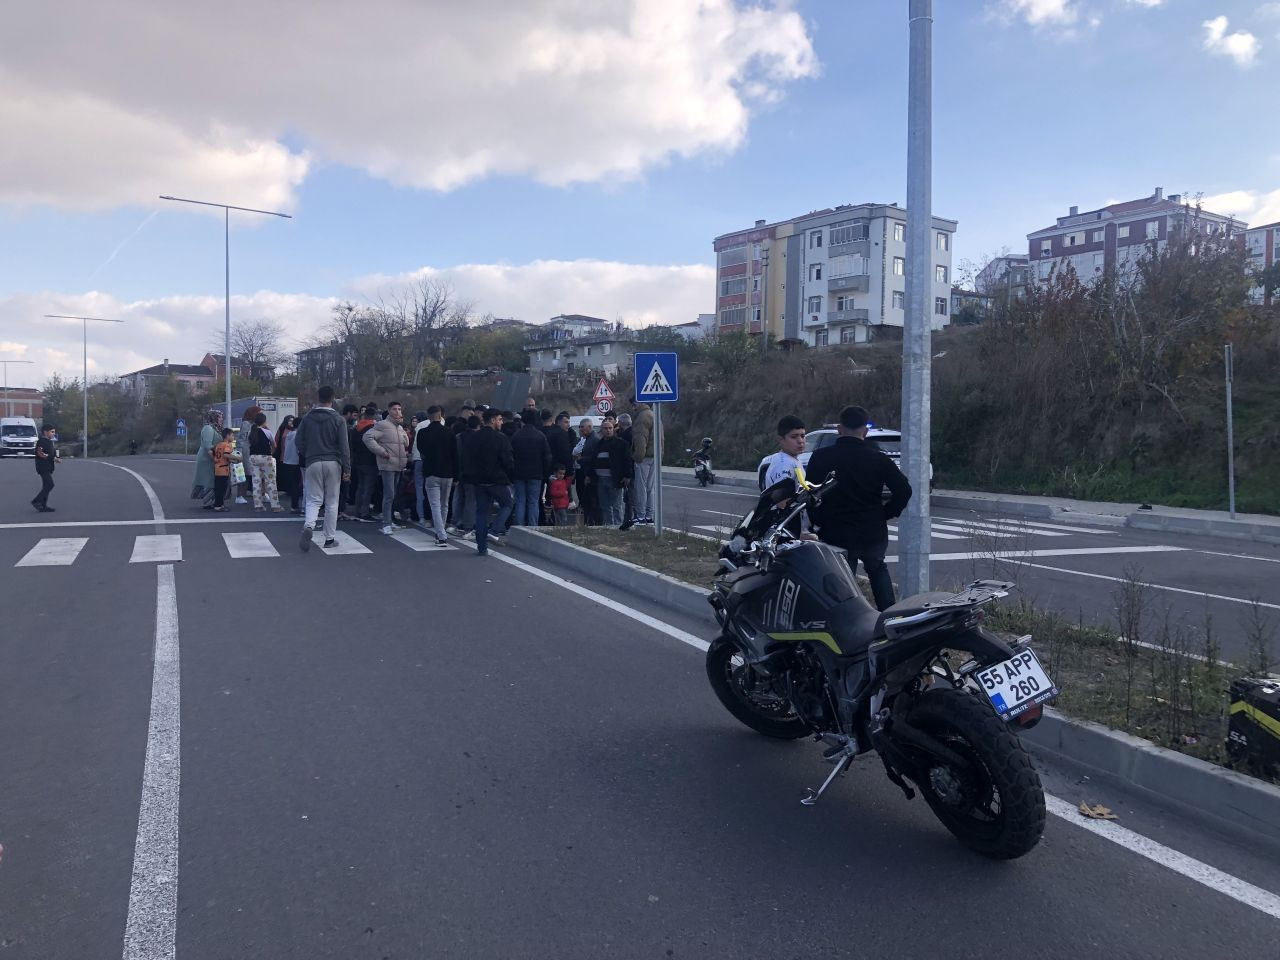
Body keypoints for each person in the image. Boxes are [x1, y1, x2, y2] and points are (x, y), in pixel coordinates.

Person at [804, 405, 911, 611]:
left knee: (842, 581)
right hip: (872, 528)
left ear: (839, 428)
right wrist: (886, 513)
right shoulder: (878, 458)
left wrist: (818, 520)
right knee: (878, 569)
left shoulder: (821, 457)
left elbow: (810, 495)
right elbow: (904, 490)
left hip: (836, 530)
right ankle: (888, 616)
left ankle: (847, 622)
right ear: (866, 431)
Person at [294, 385, 352, 552]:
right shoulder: (339, 420)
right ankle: (329, 538)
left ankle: (309, 525)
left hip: (312, 462)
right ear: (332, 399)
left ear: (318, 398)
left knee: (313, 499)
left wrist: (308, 453)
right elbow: (344, 447)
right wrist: (347, 468)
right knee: (332, 502)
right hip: (333, 462)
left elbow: (298, 441)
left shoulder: (307, 418)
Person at [467, 409, 515, 556]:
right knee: (508, 504)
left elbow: (468, 458)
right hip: (497, 480)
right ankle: (494, 530)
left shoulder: (474, 437)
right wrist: (511, 475)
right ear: (493, 420)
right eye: (500, 419)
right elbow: (508, 460)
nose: (501, 422)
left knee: (481, 512)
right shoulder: (501, 438)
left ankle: (482, 547)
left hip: (479, 481)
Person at [363, 400, 409, 535]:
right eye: (394, 409)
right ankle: (386, 523)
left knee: (394, 494)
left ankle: (390, 520)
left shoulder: (399, 427)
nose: (397, 411)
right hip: (387, 464)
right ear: (389, 411)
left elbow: (406, 443)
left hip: (399, 465)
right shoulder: (382, 425)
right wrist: (382, 452)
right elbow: (367, 438)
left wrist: (402, 428)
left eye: (399, 409)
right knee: (389, 494)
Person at [417, 404, 456, 546]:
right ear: (440, 416)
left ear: (428, 416)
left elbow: (422, 451)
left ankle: (441, 534)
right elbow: (455, 454)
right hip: (448, 473)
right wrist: (456, 474)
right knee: (444, 504)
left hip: (431, 472)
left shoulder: (422, 433)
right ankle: (441, 532)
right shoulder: (449, 432)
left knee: (435, 505)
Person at [587, 418, 632, 526]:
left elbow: (627, 460)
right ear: (601, 430)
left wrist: (627, 475)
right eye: (605, 428)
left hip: (614, 479)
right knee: (604, 505)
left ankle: (618, 525)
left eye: (610, 428)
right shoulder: (598, 445)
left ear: (613, 429)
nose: (608, 430)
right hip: (601, 480)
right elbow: (593, 461)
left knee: (616, 505)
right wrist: (588, 475)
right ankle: (608, 525)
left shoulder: (621, 444)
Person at [511, 409, 552, 526]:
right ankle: (532, 527)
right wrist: (545, 472)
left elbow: (510, 455)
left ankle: (519, 526)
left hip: (519, 474)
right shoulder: (540, 436)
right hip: (536, 474)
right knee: (533, 502)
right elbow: (547, 457)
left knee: (520, 501)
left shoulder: (516, 436)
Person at [758, 415, 807, 490]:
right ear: (781, 440)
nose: (800, 441)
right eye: (794, 437)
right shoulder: (784, 464)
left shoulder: (790, 460)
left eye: (802, 436)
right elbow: (782, 500)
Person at [350, 403, 380, 522]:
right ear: (373, 416)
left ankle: (358, 510)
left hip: (358, 461)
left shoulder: (356, 428)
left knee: (360, 486)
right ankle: (365, 511)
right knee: (368, 487)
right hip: (370, 460)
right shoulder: (373, 428)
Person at [248, 412, 284, 511]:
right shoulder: (267, 432)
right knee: (271, 482)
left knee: (256, 482)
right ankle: (275, 506)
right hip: (266, 457)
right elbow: (274, 445)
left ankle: (258, 506)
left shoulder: (251, 432)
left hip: (253, 458)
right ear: (264, 421)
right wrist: (271, 453)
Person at [629, 398, 655, 526]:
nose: (633, 408)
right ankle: (649, 516)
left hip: (644, 458)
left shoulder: (641, 417)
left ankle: (640, 516)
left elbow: (640, 439)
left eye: (633, 405)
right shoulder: (653, 414)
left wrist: (637, 458)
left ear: (638, 403)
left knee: (641, 488)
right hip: (654, 456)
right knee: (650, 488)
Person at [192, 408, 223, 507]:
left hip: (214, 456)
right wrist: (215, 459)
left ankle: (213, 501)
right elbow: (208, 445)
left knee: (214, 479)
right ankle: (208, 502)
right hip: (207, 458)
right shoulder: (208, 428)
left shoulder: (216, 428)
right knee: (208, 480)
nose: (221, 419)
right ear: (214, 418)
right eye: (219, 417)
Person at [572, 417, 600, 525]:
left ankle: (592, 522)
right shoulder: (588, 439)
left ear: (589, 427)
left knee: (591, 501)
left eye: (581, 427)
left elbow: (594, 458)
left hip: (590, 475)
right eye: (579, 427)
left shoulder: (593, 440)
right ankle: (588, 522)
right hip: (586, 473)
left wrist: (581, 459)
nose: (580, 430)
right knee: (587, 501)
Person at [31, 423, 60, 512]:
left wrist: (57, 457)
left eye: (54, 432)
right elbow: (40, 453)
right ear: (45, 432)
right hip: (43, 467)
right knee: (50, 485)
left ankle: (43, 506)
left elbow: (53, 452)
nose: (53, 434)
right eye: (52, 432)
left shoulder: (50, 442)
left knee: (46, 485)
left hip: (49, 467)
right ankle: (36, 501)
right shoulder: (41, 442)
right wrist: (52, 458)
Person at [277, 415, 303, 513]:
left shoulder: (289, 434)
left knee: (293, 485)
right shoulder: (299, 435)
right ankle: (296, 506)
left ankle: (294, 506)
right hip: (296, 462)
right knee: (298, 485)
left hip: (287, 462)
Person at [411, 409, 430, 525]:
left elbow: (415, 444)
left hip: (418, 459)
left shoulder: (419, 426)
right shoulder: (439, 423)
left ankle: (421, 516)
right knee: (430, 489)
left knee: (419, 489)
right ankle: (429, 516)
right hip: (431, 459)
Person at [211, 427, 236, 511]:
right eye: (232, 435)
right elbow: (226, 455)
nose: (233, 437)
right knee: (222, 489)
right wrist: (237, 458)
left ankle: (219, 504)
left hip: (217, 468)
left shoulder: (218, 445)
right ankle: (218, 506)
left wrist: (214, 459)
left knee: (218, 488)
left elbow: (211, 452)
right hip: (224, 469)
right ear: (227, 436)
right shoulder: (227, 445)